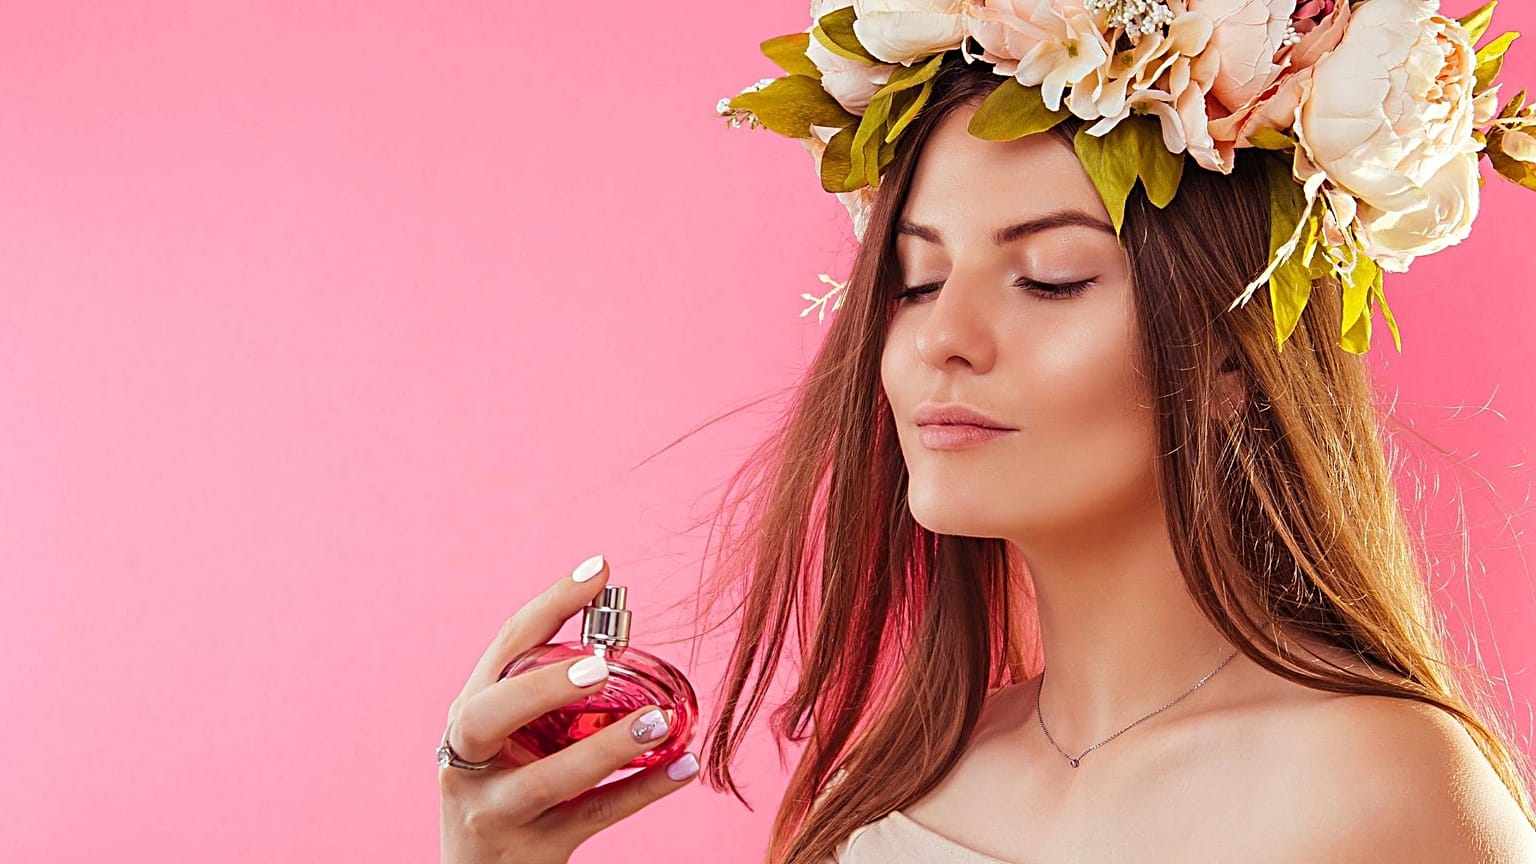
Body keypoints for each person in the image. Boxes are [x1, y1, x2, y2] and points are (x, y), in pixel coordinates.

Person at [439, 2, 1536, 862]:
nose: (941, 341)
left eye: (1049, 279)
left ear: (1229, 361)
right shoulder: (907, 775)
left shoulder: (1383, 788)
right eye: (914, 283)